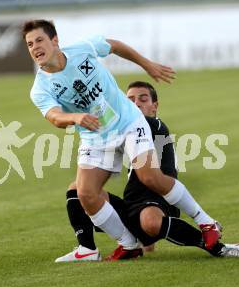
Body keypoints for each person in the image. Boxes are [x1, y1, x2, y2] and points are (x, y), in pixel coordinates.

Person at [23, 20, 221, 257]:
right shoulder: (40, 88)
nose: (35, 47)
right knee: (86, 194)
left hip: (127, 122)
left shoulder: (82, 48)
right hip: (95, 137)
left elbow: (114, 46)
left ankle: (206, 222)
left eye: (39, 40)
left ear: (55, 40)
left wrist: (147, 65)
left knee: (150, 177)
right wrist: (76, 117)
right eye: (29, 44)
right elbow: (54, 117)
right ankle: (127, 245)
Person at [55, 81, 239, 262]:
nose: (136, 104)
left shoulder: (154, 125)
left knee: (150, 221)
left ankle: (219, 248)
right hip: (132, 204)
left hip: (160, 201)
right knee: (78, 189)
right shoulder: (130, 131)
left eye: (143, 99)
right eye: (130, 100)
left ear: (155, 106)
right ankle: (88, 249)